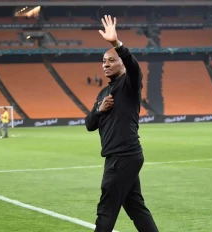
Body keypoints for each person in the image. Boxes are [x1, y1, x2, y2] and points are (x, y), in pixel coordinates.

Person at [85, 15, 158, 232]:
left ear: (122, 65)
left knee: (106, 209)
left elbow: (135, 68)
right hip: (119, 157)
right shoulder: (103, 92)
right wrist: (100, 110)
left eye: (111, 60)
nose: (106, 64)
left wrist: (116, 44)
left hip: (123, 156)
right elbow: (89, 124)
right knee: (136, 208)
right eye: (104, 61)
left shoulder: (129, 84)